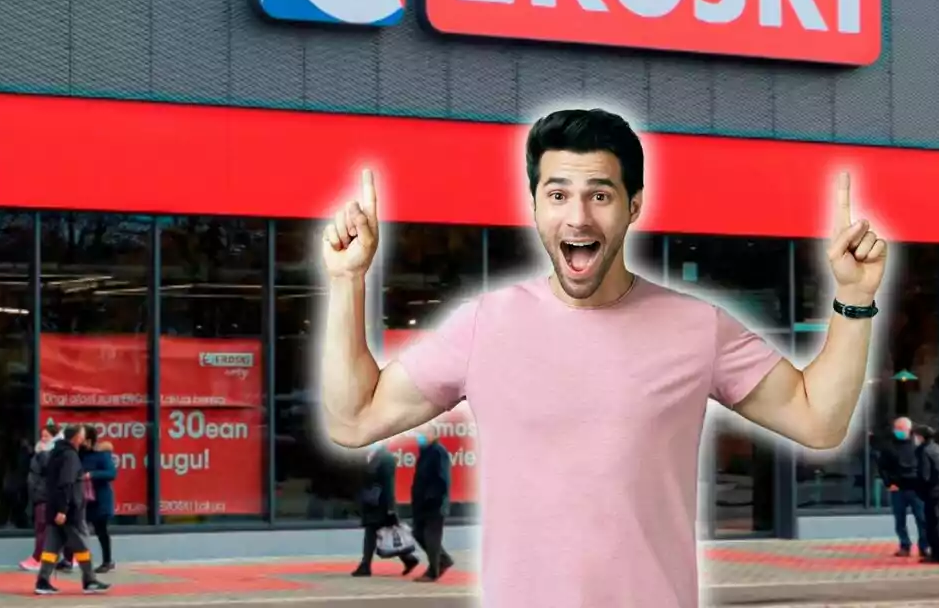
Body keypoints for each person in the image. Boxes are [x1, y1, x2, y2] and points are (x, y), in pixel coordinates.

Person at [319, 108, 889, 607]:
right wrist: (348, 281)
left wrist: (855, 298)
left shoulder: (696, 328)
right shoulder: (484, 326)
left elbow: (818, 419)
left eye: (600, 194)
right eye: (558, 194)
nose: (578, 218)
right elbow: (354, 419)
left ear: (634, 204)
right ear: (536, 205)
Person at [33, 425, 110, 595]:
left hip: (55, 509)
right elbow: (65, 483)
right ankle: (89, 580)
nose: (83, 438)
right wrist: (63, 509)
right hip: (70, 511)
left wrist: (58, 509)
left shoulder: (56, 453)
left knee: (51, 548)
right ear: (75, 437)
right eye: (82, 435)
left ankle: (42, 581)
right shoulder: (70, 456)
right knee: (82, 544)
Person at [353, 442, 418, 577]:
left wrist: (391, 509)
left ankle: (365, 565)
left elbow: (389, 485)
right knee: (377, 533)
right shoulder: (367, 455)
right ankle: (408, 559)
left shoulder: (386, 458)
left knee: (373, 533)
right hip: (370, 502)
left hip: (381, 504)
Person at [876, 416, 928, 559]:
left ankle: (924, 547)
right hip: (897, 488)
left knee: (922, 519)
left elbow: (925, 465)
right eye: (896, 428)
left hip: (916, 488)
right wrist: (888, 483)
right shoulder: (889, 446)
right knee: (900, 520)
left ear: (909, 430)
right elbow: (882, 467)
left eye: (902, 429)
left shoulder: (918, 445)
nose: (898, 431)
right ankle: (904, 546)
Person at [409, 427, 453, 583]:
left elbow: (443, 479)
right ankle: (444, 559)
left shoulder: (438, 452)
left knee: (431, 537)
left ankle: (433, 571)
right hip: (422, 505)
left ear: (434, 435)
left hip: (435, 504)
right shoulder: (425, 453)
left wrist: (434, 498)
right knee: (418, 533)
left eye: (424, 434)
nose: (420, 437)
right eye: (419, 435)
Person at [913, 424, 939, 565]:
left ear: (921, 437)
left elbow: (924, 475)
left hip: (932, 492)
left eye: (916, 436)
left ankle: (937, 555)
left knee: (932, 525)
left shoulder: (923, 451)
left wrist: (918, 489)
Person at [81, 430, 117, 573]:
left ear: (90, 440)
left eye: (83, 439)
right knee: (76, 530)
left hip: (99, 499)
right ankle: (70, 559)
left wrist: (92, 475)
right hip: (83, 499)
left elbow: (111, 473)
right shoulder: (78, 454)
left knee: (101, 531)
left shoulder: (101, 455)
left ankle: (107, 561)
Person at [20, 428, 56, 571]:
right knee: (44, 528)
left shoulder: (50, 453)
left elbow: (47, 468)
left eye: (47, 436)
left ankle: (38, 558)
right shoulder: (40, 452)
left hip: (44, 496)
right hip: (38, 495)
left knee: (42, 528)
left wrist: (41, 453)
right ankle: (67, 557)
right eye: (42, 436)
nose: (43, 438)